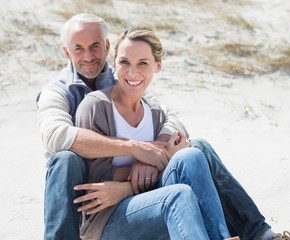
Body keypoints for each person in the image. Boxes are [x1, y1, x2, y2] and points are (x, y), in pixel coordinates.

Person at [36, 13, 290, 240]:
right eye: (78, 48)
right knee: (66, 159)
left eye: (94, 46)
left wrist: (154, 155)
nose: (88, 55)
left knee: (195, 151)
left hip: (142, 195)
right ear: (67, 52)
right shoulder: (64, 94)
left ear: (106, 48)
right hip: (92, 200)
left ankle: (259, 235)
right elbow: (56, 135)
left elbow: (172, 120)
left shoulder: (126, 79)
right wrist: (136, 149)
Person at [73, 26, 234, 239]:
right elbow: (96, 182)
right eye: (124, 62)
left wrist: (147, 165)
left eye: (143, 63)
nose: (132, 72)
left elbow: (174, 152)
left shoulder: (156, 113)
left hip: (154, 206)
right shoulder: (96, 107)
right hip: (107, 222)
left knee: (192, 155)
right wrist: (143, 163)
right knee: (179, 195)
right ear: (114, 63)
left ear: (157, 66)